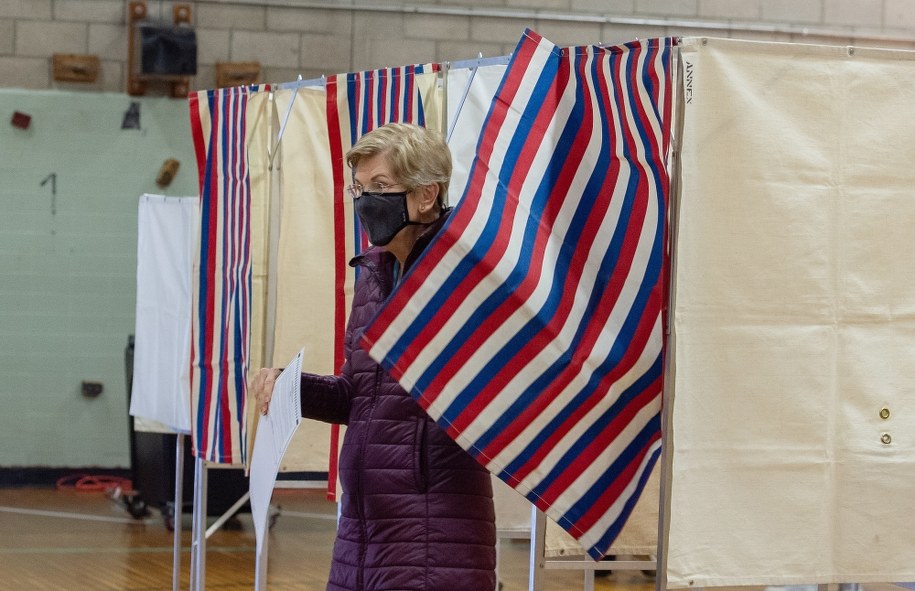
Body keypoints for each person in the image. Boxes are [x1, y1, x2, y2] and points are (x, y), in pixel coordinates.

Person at [250, 123, 497, 591]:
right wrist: (290, 387)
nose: (364, 202)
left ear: (427, 195)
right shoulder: (373, 275)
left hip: (434, 526)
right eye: (359, 188)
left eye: (380, 188)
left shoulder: (464, 274)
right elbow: (357, 395)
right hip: (362, 524)